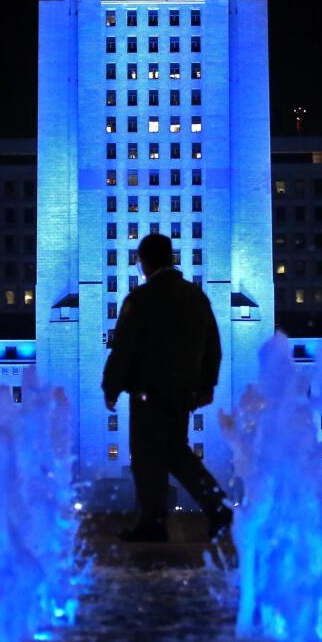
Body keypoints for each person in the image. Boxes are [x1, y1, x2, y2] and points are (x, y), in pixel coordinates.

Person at [101, 232, 236, 543]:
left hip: (149, 393)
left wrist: (111, 386)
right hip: (183, 393)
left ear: (144, 262)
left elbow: (124, 348)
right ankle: (219, 509)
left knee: (147, 457)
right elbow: (213, 346)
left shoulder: (140, 299)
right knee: (176, 453)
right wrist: (207, 384)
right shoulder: (195, 297)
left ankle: (153, 523)